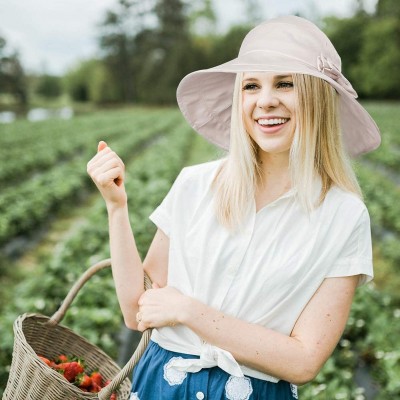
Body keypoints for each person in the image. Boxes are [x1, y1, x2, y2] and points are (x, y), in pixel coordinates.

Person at [87, 15, 381, 400]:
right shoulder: (196, 184)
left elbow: (303, 361)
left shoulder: (343, 216)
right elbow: (136, 311)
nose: (265, 101)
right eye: (252, 86)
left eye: (285, 83)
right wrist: (116, 208)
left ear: (318, 97)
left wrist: (190, 312)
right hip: (161, 384)